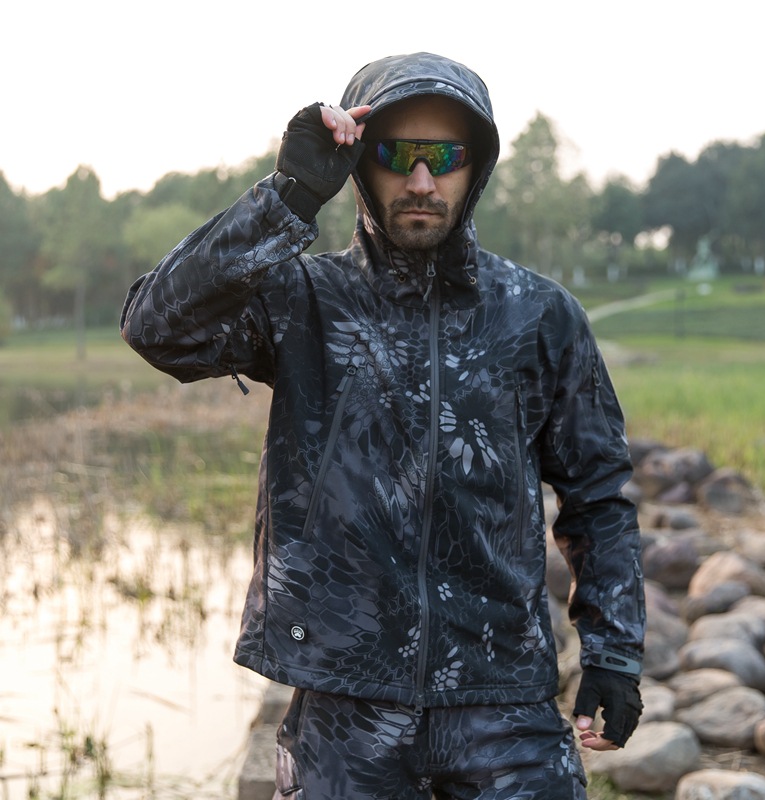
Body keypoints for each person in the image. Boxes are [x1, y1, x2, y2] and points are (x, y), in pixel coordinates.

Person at [121, 52, 645, 800]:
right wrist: (288, 197)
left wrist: (613, 655)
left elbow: (598, 496)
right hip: (342, 705)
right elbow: (155, 328)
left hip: (503, 701)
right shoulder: (303, 299)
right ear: (362, 163)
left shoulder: (539, 314)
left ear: (477, 167)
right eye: (399, 155)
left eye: (446, 157)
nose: (422, 181)